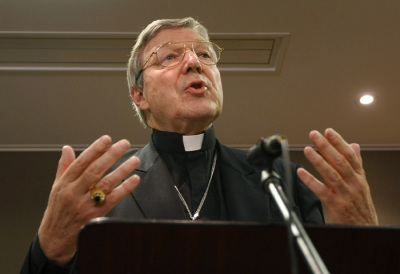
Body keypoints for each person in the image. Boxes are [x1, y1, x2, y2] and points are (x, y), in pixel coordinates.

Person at [20, 17, 378, 274]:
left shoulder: (281, 181)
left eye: (205, 55)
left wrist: (366, 245)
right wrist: (48, 251)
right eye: (169, 56)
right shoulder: (100, 185)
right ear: (139, 95)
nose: (194, 62)